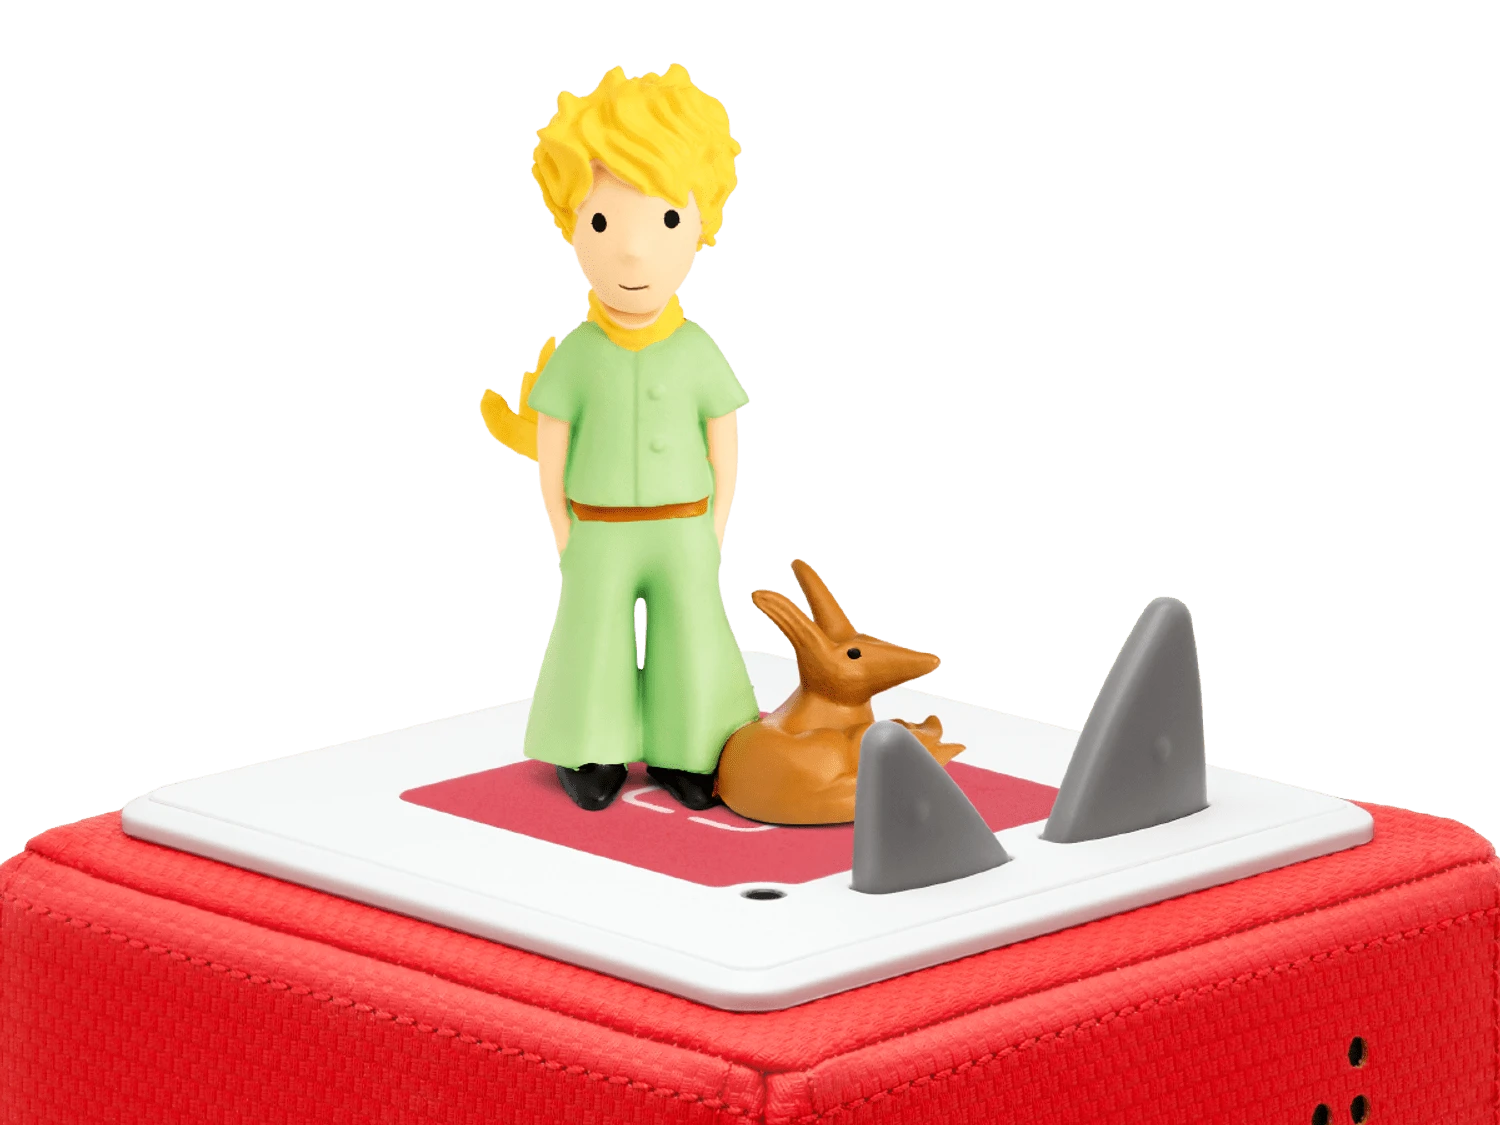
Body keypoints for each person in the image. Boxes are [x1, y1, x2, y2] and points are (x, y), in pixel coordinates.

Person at [480, 65, 757, 812]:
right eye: (602, 223)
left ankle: (690, 748)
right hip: (597, 526)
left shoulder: (698, 351)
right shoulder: (576, 356)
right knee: (590, 634)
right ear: (572, 225)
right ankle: (591, 747)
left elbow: (725, 439)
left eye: (665, 220)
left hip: (684, 524)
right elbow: (553, 446)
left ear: (701, 224)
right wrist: (560, 522)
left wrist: (719, 518)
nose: (632, 252)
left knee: (694, 631)